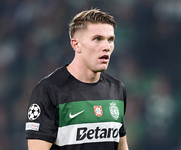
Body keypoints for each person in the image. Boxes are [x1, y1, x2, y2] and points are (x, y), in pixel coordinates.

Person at [25, 8, 129, 150]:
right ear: (76, 44)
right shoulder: (49, 90)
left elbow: (121, 146)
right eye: (97, 39)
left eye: (110, 40)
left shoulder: (117, 89)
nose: (107, 47)